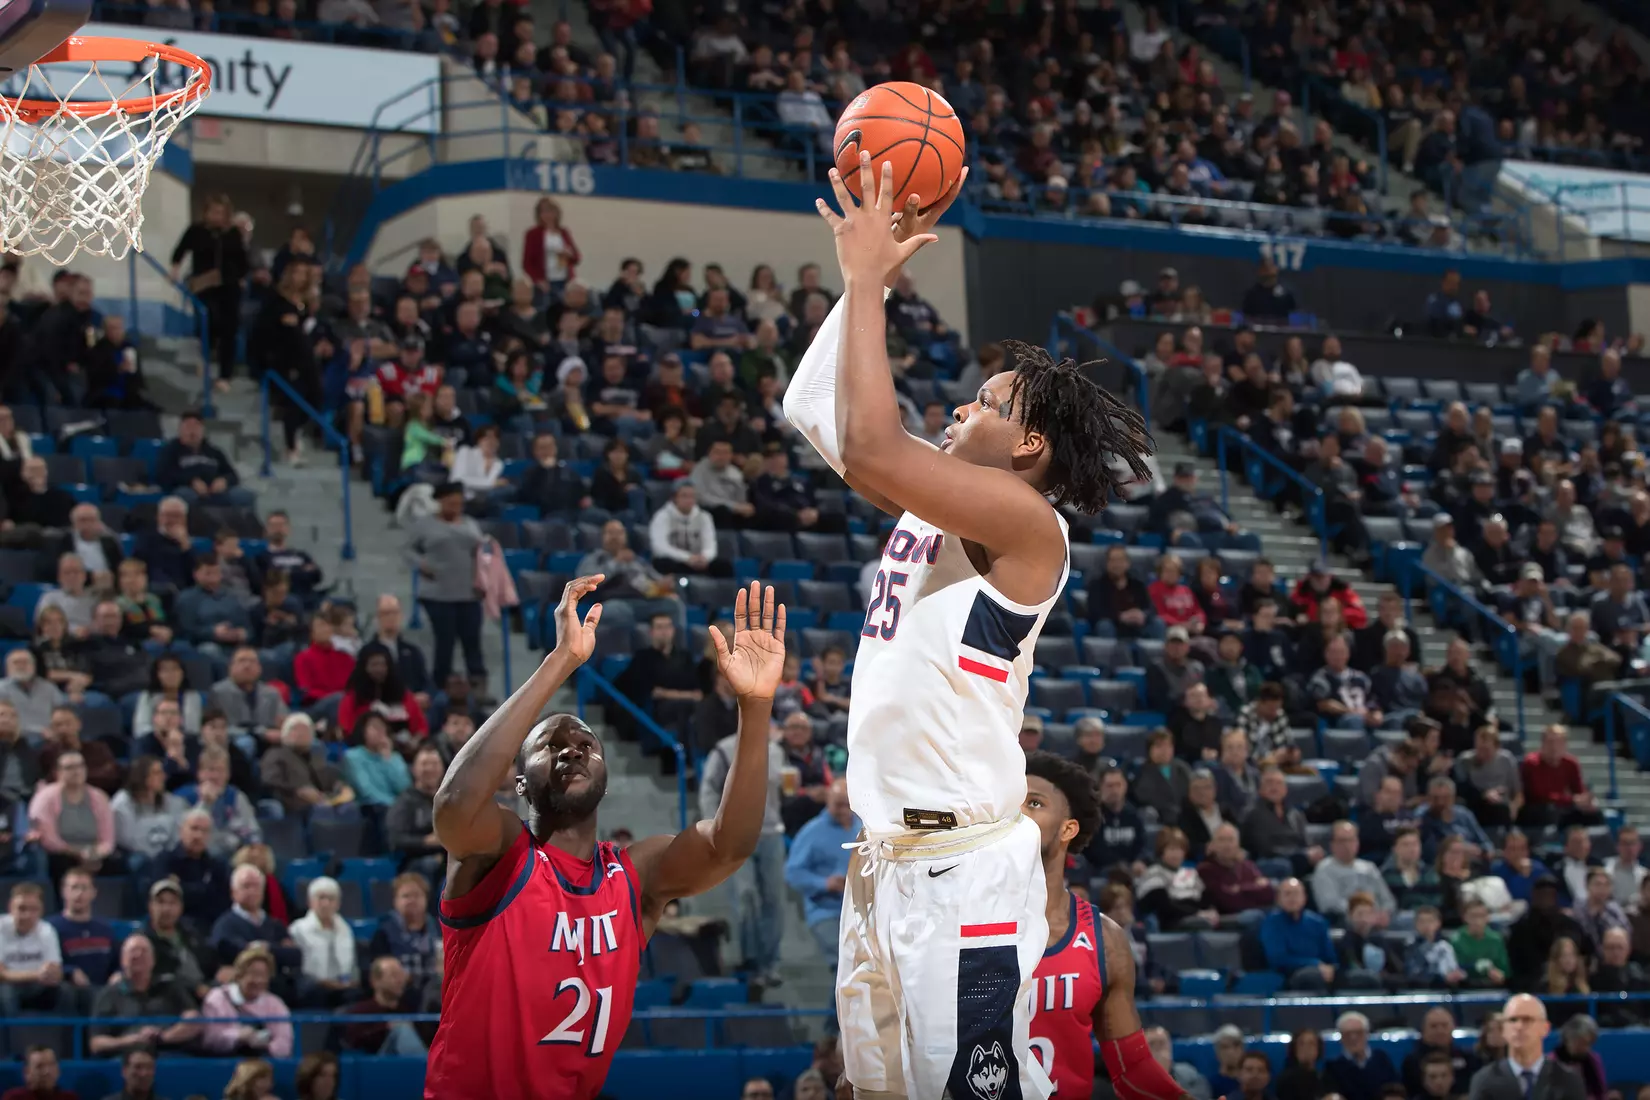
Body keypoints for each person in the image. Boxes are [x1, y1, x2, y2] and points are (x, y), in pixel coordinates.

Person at [793, 158, 1154, 1100]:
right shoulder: (936, 503)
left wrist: (870, 277)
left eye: (988, 403)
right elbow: (812, 407)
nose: (961, 406)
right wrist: (862, 280)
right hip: (885, 859)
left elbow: (871, 442)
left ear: (1029, 445)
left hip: (959, 868)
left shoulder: (1028, 523)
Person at [423, 577, 785, 1099]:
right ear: (519, 782)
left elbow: (729, 845)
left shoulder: (633, 876)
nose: (572, 750)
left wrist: (755, 706)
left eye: (586, 743)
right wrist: (561, 662)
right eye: (550, 745)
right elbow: (454, 805)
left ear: (606, 777)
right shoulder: (500, 853)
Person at [1023, 750, 1186, 1100]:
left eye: (1034, 803)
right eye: (1012, 803)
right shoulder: (958, 924)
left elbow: (1131, 1070)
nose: (1018, 814)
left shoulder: (1105, 940)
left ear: (1068, 829)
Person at [783, 779, 859, 969]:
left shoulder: (865, 828)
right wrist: (825, 883)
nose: (844, 810)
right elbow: (793, 872)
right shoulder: (811, 832)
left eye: (848, 805)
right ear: (828, 801)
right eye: (838, 805)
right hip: (827, 911)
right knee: (847, 963)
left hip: (862, 912)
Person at [88, 934, 201, 1056]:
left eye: (144, 951)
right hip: (126, 1057)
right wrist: (130, 1041)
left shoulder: (171, 987)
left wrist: (163, 1037)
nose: (138, 954)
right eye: (133, 951)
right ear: (122, 960)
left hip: (170, 1055)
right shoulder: (108, 994)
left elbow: (194, 1020)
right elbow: (96, 1043)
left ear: (153, 960)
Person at [1465, 994, 1585, 1100]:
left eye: (1527, 1020)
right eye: (1513, 1020)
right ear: (1504, 1030)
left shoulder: (1569, 1080)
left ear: (1545, 1028)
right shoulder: (1484, 1081)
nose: (1519, 1026)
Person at [200, 945, 294, 1057]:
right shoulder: (217, 998)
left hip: (262, 1061)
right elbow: (211, 1038)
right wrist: (239, 1036)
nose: (258, 980)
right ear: (239, 975)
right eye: (253, 974)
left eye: (263, 975)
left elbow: (284, 1043)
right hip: (224, 1060)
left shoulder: (275, 1004)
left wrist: (265, 1046)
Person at [0, 882, 70, 1017]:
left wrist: (51, 974)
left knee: (65, 991)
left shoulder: (47, 930)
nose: (27, 915)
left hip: (37, 986)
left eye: (33, 909)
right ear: (10, 907)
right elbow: (1, 974)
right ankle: (12, 1030)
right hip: (7, 986)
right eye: (22, 909)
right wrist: (37, 974)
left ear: (41, 911)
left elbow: (56, 972)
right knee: (5, 993)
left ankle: (64, 1030)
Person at [287, 877, 357, 1008]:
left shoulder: (345, 929)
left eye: (331, 899)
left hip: (341, 985)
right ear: (310, 901)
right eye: (321, 898)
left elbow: (352, 965)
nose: (326, 903)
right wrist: (325, 983)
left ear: (338, 903)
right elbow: (295, 970)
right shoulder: (298, 929)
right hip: (311, 987)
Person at [342, 956, 427, 1055]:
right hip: (376, 1060)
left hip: (407, 1060)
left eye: (401, 975)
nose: (400, 980)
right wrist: (386, 1027)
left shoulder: (410, 1007)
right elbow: (354, 1042)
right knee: (401, 1029)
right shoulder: (361, 1011)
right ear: (375, 981)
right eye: (394, 975)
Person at [1326, 1011, 1400, 1100]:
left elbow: (1395, 1090)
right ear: (1341, 1037)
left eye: (1358, 1032)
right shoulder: (1333, 1067)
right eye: (1348, 1034)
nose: (1353, 1038)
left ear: (1367, 1034)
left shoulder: (1382, 1059)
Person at [1, 1047, 75, 1100]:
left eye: (51, 1065)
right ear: (27, 1072)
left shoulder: (69, 1098)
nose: (47, 1071)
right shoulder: (14, 1097)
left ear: (58, 1071)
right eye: (39, 1066)